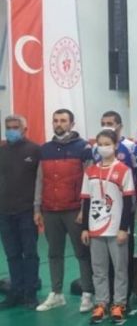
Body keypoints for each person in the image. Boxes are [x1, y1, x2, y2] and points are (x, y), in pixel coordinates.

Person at [34, 109, 95, 313]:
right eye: (55, 120)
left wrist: (84, 209)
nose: (58, 124)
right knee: (54, 253)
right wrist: (37, 207)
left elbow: (90, 181)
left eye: (63, 120)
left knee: (82, 253)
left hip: (75, 210)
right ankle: (57, 293)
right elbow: (40, 180)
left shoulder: (84, 148)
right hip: (50, 210)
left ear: (72, 124)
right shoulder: (45, 149)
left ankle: (87, 294)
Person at [80, 129, 135, 325]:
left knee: (120, 269)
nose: (103, 148)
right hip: (95, 229)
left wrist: (123, 228)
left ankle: (119, 304)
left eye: (107, 144)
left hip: (116, 229)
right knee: (98, 269)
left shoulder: (124, 170)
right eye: (100, 144)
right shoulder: (90, 171)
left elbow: (128, 203)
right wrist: (85, 228)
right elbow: (87, 201)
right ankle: (101, 303)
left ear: (115, 146)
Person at [94, 110, 137, 308]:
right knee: (103, 257)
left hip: (124, 206)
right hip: (102, 207)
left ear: (120, 126)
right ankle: (105, 298)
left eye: (110, 123)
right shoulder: (96, 148)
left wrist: (133, 203)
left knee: (123, 253)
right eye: (103, 123)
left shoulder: (132, 147)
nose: (107, 126)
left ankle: (125, 296)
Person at [0, 115, 41, 309]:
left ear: (24, 129)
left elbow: (41, 181)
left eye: (15, 127)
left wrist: (37, 209)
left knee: (30, 253)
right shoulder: (1, 151)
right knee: (12, 254)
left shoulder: (35, 150)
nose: (11, 130)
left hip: (27, 211)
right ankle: (15, 292)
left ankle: (30, 293)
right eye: (8, 127)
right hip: (4, 212)